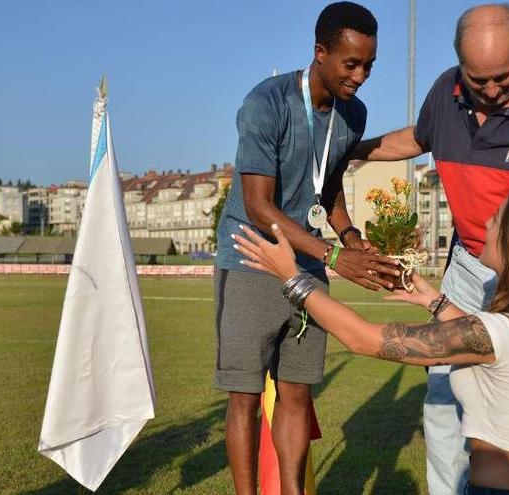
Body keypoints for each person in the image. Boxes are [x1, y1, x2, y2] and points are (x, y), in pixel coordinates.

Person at [351, 4, 509, 492]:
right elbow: (418, 138)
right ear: (459, 68)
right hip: (470, 268)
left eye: (503, 78)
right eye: (479, 80)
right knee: (442, 399)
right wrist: (352, 148)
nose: (491, 90)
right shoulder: (444, 93)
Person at [233, 184, 509, 495]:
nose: (487, 224)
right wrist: (435, 300)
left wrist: (292, 277)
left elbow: (365, 339)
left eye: (497, 219)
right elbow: (499, 351)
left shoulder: (494, 332)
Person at [213, 4, 399, 494]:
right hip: (252, 257)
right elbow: (258, 205)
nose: (360, 77)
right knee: (246, 398)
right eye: (351, 64)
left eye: (369, 66)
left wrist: (353, 238)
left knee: (296, 394)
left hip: (310, 265)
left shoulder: (352, 114)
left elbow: (328, 186)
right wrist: (338, 256)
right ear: (321, 53)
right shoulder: (266, 103)